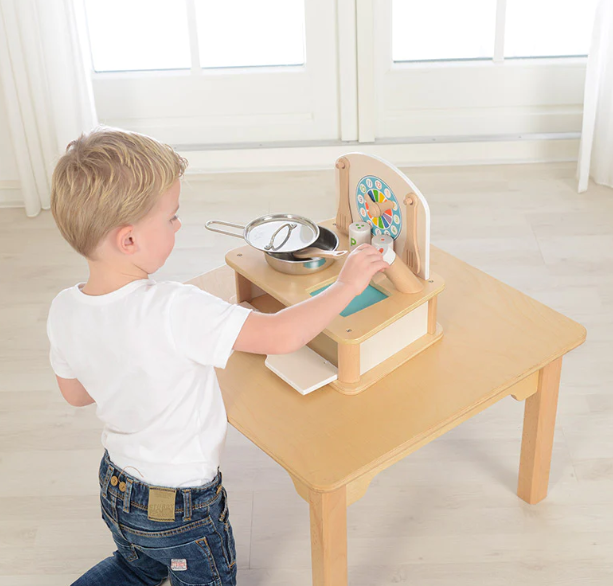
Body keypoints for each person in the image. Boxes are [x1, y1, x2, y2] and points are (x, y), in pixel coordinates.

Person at [47, 127, 388, 586]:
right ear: (129, 241)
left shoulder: (65, 307)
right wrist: (347, 284)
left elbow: (74, 394)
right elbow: (281, 335)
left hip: (117, 486)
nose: (179, 225)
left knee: (135, 568)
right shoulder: (174, 306)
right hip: (180, 506)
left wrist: (124, 365)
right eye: (171, 218)